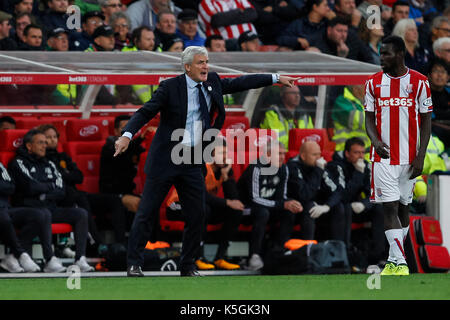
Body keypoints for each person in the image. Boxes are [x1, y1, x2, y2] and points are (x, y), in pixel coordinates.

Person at [114, 45, 299, 277]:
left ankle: (188, 265)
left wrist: (276, 78)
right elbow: (145, 112)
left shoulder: (213, 81)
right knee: (147, 211)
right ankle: (134, 264)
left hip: (193, 158)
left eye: (207, 61)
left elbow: (241, 82)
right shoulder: (170, 87)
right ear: (187, 66)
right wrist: (126, 136)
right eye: (201, 62)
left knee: (198, 214)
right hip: (166, 159)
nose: (206, 66)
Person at [364, 35, 432, 276]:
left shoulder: (420, 82)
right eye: (381, 53)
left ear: (401, 54)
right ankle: (401, 264)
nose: (382, 58)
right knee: (389, 208)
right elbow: (369, 118)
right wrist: (375, 140)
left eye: (387, 54)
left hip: (410, 159)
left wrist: (421, 156)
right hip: (383, 158)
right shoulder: (373, 83)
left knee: (404, 208)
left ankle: (394, 261)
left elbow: (426, 122)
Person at [8, 129, 95, 272]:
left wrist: (44, 194)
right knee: (44, 214)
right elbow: (30, 186)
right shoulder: (18, 162)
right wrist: (49, 187)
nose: (44, 146)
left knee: (80, 213)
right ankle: (49, 259)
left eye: (45, 143)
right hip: (28, 208)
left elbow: (61, 189)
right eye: (40, 143)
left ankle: (80, 259)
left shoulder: (49, 163)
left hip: (49, 207)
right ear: (29, 146)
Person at [165, 139, 243, 270]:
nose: (225, 157)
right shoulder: (202, 168)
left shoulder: (225, 170)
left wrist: (226, 177)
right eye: (221, 153)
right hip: (177, 205)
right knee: (202, 209)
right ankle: (197, 257)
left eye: (226, 153)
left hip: (199, 206)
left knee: (235, 211)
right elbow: (200, 195)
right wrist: (228, 202)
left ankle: (220, 257)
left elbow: (234, 199)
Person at [237, 141, 302, 271]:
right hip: (245, 210)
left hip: (268, 207)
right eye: (279, 154)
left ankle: (279, 252)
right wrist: (282, 204)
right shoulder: (256, 168)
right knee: (263, 212)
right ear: (267, 155)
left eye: (284, 154)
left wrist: (291, 203)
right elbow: (254, 199)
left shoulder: (283, 168)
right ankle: (254, 256)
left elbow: (281, 197)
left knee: (289, 212)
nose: (283, 157)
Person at [326, 137, 385, 265]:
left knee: (380, 209)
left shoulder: (364, 165)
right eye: (357, 152)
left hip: (356, 207)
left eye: (363, 153)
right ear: (347, 153)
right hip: (338, 208)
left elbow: (374, 193)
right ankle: (345, 254)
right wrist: (358, 173)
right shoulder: (335, 166)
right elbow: (343, 195)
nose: (361, 156)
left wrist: (364, 204)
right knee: (344, 207)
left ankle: (378, 255)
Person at [0, 161, 66, 273]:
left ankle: (14, 256)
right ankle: (20, 254)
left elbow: (10, 185)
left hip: (5, 207)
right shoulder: (19, 162)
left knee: (40, 215)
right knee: (4, 218)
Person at [287, 141, 344, 242]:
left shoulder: (319, 166)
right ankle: (308, 250)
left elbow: (337, 191)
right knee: (310, 206)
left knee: (338, 206)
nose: (319, 158)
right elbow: (304, 195)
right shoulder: (293, 167)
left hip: (318, 205)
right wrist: (318, 170)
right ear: (303, 156)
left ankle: (338, 249)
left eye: (319, 154)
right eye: (314, 155)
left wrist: (327, 206)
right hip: (297, 208)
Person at [331, 84, 371, 159]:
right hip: (347, 154)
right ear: (355, 88)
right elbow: (362, 122)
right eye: (365, 87)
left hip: (365, 153)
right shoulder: (342, 101)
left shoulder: (362, 102)